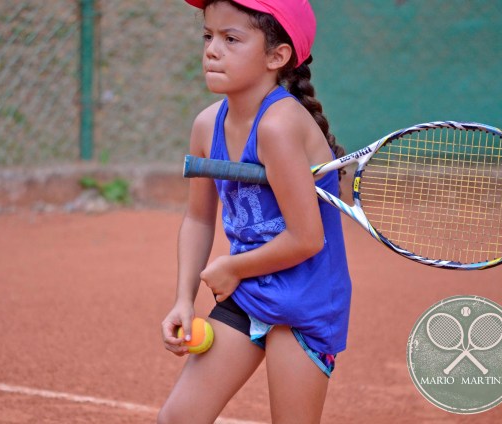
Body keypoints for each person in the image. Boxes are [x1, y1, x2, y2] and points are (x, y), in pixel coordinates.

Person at [159, 1, 351, 423]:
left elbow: (307, 238)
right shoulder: (207, 126)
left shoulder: (279, 126)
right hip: (249, 291)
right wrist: (183, 301)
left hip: (306, 298)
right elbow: (198, 218)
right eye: (208, 36)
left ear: (276, 56)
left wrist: (233, 267)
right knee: (178, 418)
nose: (212, 50)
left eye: (231, 39)